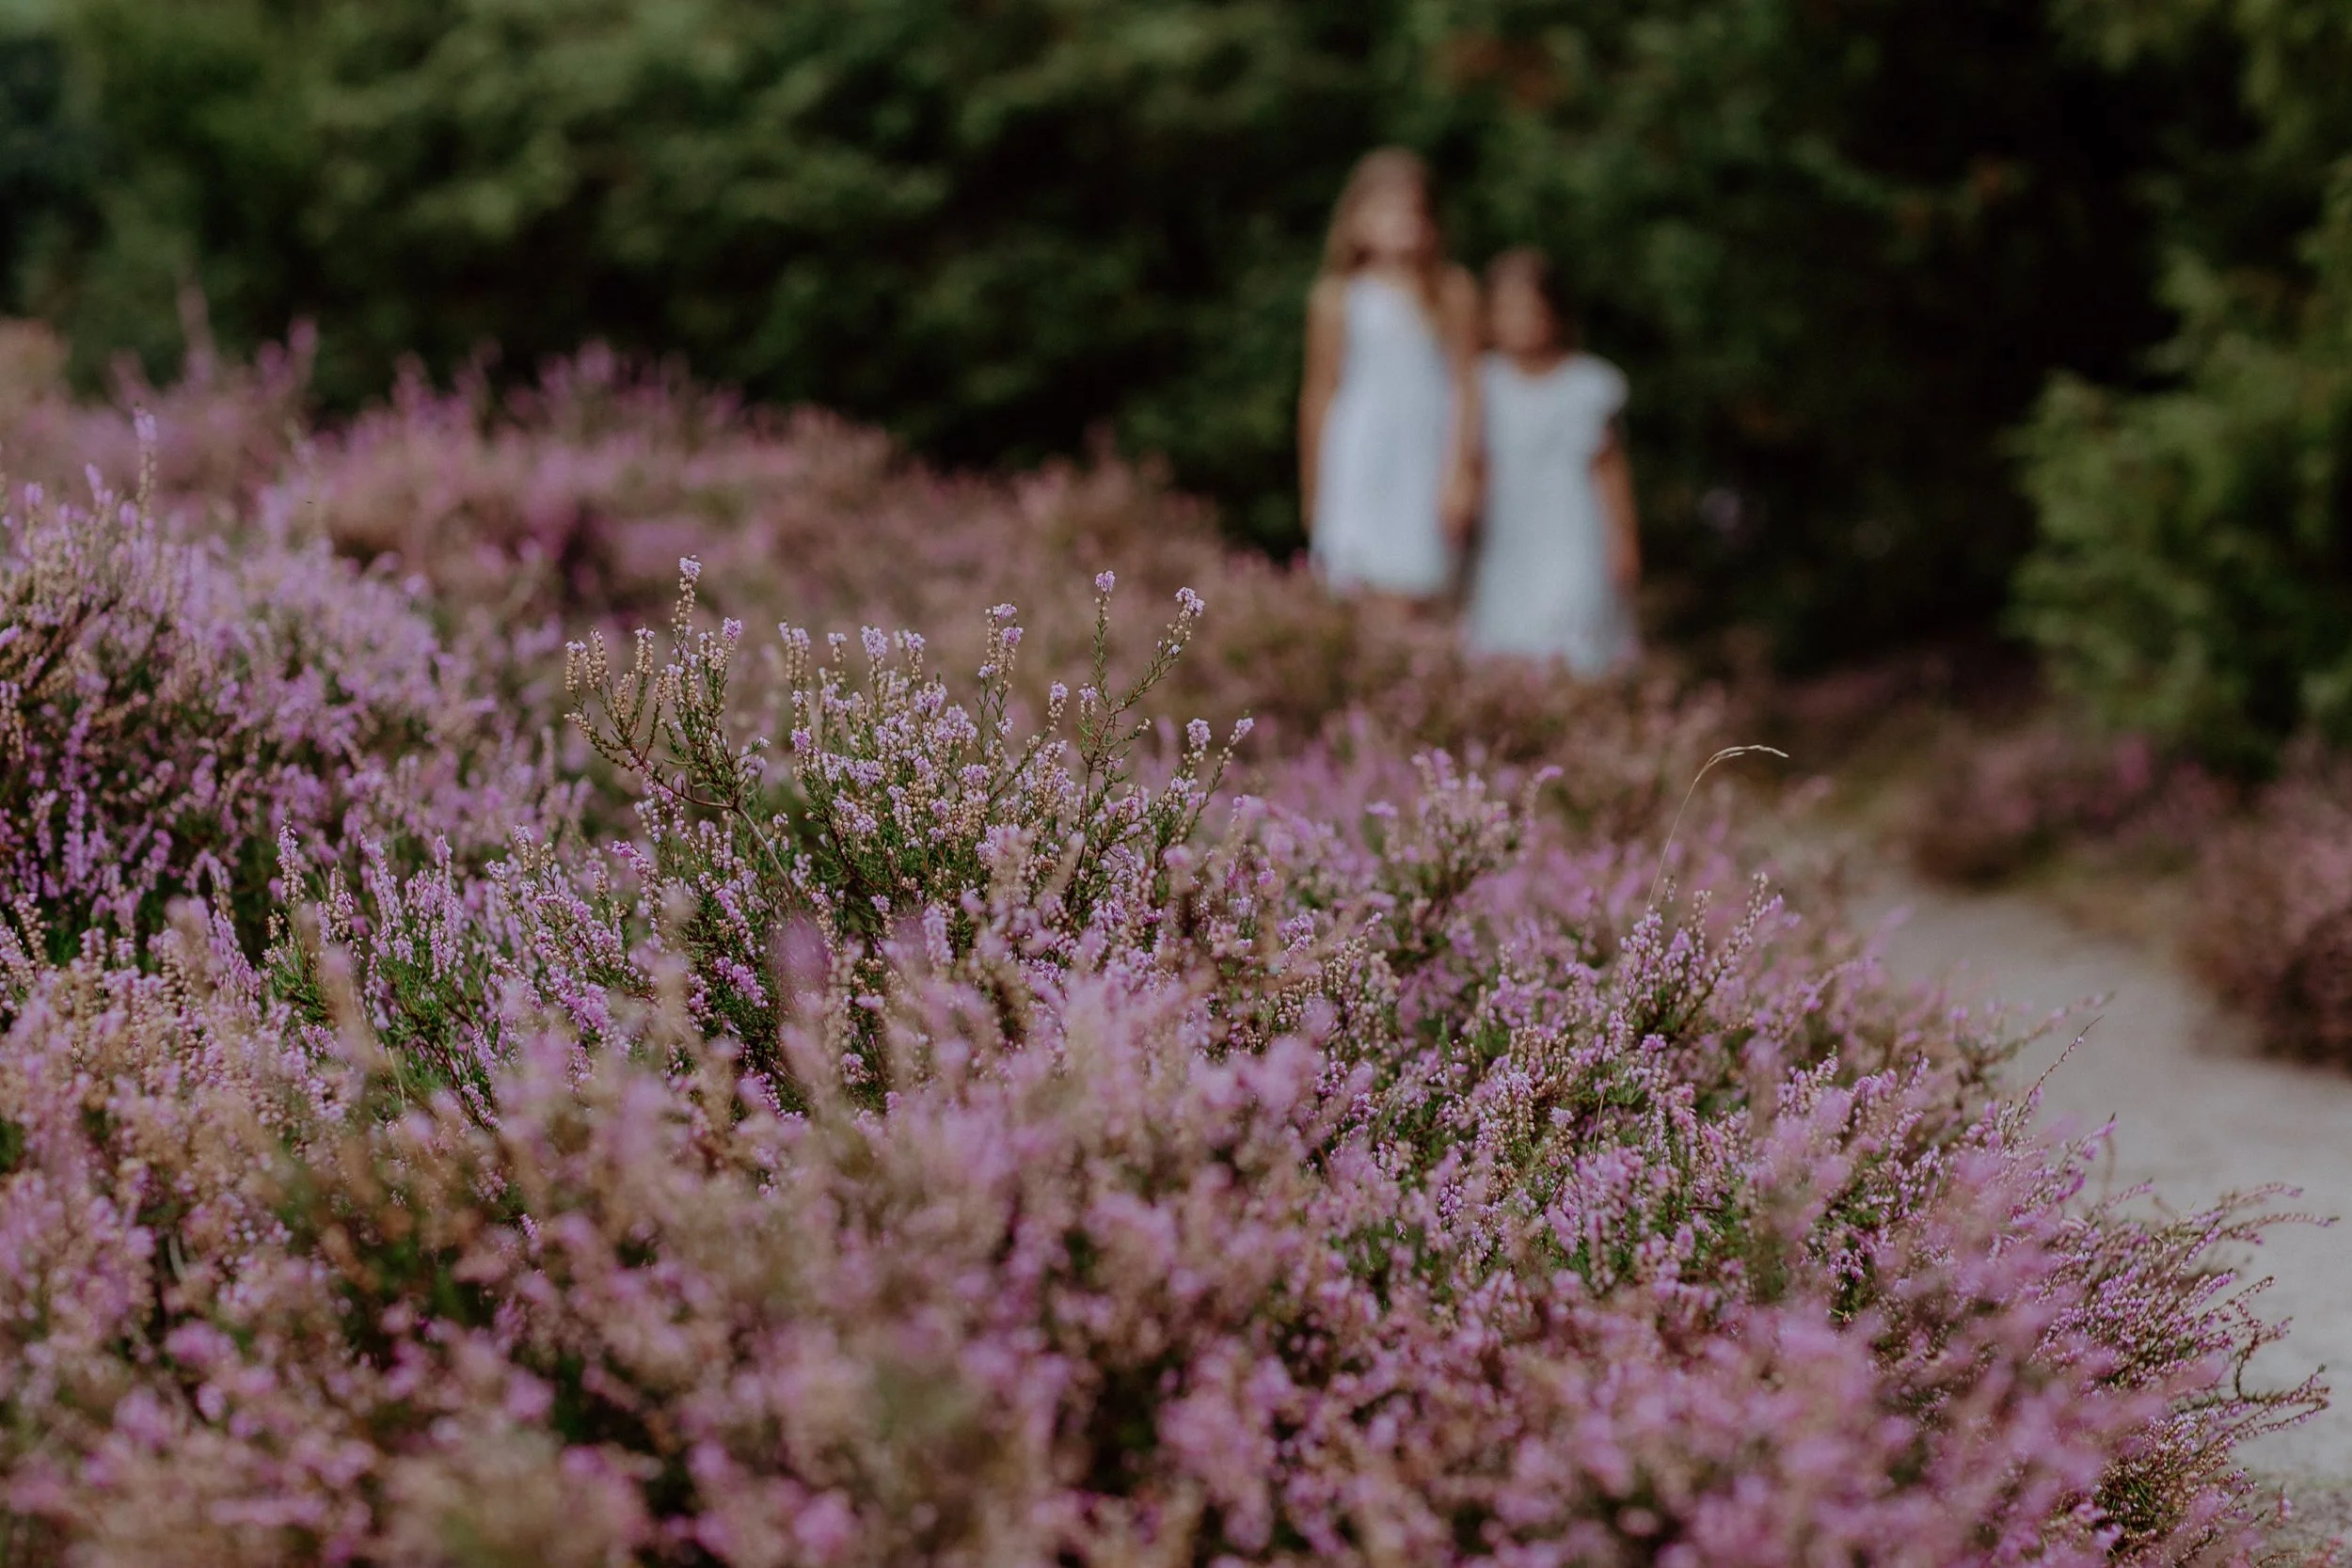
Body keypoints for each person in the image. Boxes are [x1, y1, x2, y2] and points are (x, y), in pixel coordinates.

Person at [1298, 149, 1482, 603]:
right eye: (1383, 209)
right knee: (1355, 584)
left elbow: (1467, 386)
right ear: (1355, 218)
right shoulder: (1336, 298)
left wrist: (1461, 471)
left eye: (1411, 211)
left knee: (1419, 584)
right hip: (1359, 453)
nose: (1398, 222)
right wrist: (1314, 488)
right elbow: (1320, 393)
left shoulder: (1451, 292)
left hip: (1425, 455)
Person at [1463, 247, 1640, 674]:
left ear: (1556, 312)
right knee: (1510, 640)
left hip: (1575, 531)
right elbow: (1471, 462)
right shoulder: (1480, 382)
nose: (1519, 322)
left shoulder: (1589, 384)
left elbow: (1609, 468)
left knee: (1573, 635)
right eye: (1506, 310)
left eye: (1531, 308)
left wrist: (1624, 539)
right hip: (1508, 537)